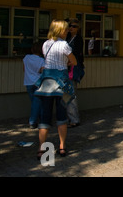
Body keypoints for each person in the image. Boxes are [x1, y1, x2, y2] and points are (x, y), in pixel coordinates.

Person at [34, 19, 77, 159]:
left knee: (44, 116)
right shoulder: (64, 45)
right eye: (65, 29)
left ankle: (41, 149)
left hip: (46, 84)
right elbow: (74, 61)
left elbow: (48, 60)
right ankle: (62, 146)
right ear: (60, 30)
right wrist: (67, 62)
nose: (67, 31)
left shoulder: (46, 44)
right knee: (61, 115)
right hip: (61, 84)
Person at [66, 18, 85, 128]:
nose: (71, 28)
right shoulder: (67, 38)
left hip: (72, 68)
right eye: (70, 26)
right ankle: (70, 117)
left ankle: (74, 119)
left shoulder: (78, 39)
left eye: (74, 26)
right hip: (66, 68)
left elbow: (76, 55)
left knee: (71, 94)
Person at [23, 42, 45, 128]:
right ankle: (34, 121)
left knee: (34, 102)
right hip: (38, 82)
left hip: (28, 81)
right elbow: (42, 71)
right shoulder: (42, 60)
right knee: (38, 102)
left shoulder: (26, 58)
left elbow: (24, 69)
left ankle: (38, 119)